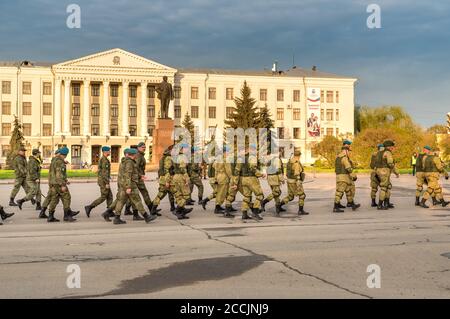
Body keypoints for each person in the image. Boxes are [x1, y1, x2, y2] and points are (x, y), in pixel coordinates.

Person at [107, 148, 157, 225]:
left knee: (121, 201)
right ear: (133, 155)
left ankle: (116, 218)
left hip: (125, 184)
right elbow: (128, 175)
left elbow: (132, 173)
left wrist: (140, 176)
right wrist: (128, 187)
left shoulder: (126, 161)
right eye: (136, 154)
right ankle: (146, 216)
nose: (137, 155)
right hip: (130, 185)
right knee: (137, 200)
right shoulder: (129, 163)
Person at [47, 147, 80, 222]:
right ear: (65, 154)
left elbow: (53, 173)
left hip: (53, 183)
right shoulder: (60, 162)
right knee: (67, 197)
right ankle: (66, 216)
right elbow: (59, 175)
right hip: (58, 183)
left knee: (54, 199)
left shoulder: (55, 160)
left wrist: (65, 180)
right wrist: (63, 185)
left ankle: (50, 216)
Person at [236, 145, 265, 221]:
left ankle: (244, 213)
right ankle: (255, 212)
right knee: (260, 195)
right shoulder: (252, 157)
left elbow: (237, 170)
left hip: (244, 179)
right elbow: (253, 168)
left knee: (247, 196)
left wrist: (235, 182)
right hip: (251, 179)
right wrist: (261, 174)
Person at [84, 146, 113, 218]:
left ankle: (109, 211)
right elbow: (104, 172)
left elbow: (104, 172)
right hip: (103, 181)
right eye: (109, 151)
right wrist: (107, 183)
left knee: (110, 196)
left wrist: (109, 177)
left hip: (103, 180)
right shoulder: (104, 160)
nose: (110, 152)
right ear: (105, 152)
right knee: (104, 196)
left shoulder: (105, 159)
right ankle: (89, 207)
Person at [280, 147, 309, 216]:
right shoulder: (296, 163)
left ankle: (278, 205)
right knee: (302, 195)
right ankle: (300, 210)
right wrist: (299, 182)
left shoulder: (290, 161)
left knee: (290, 196)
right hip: (295, 181)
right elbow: (297, 174)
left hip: (289, 181)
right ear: (299, 156)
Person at [333, 141, 360, 213]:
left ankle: (351, 203)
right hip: (343, 178)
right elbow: (348, 168)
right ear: (345, 151)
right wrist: (354, 176)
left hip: (341, 177)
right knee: (340, 192)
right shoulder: (344, 158)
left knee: (348, 191)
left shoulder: (338, 157)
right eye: (348, 151)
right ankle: (335, 206)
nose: (349, 152)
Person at [135, 142, 160, 216]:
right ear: (138, 148)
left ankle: (127, 209)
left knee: (133, 195)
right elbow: (135, 167)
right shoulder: (138, 156)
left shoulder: (141, 155)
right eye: (143, 147)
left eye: (145, 147)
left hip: (138, 177)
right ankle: (151, 210)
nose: (144, 148)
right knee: (144, 193)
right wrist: (140, 175)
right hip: (138, 178)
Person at [151, 145, 177, 215]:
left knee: (168, 193)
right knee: (162, 194)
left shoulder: (164, 157)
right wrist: (167, 181)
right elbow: (167, 170)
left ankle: (173, 207)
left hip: (164, 178)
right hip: (166, 178)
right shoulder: (168, 158)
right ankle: (153, 209)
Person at [375, 140, 399, 210]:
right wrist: (396, 172)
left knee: (388, 186)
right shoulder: (388, 152)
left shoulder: (379, 152)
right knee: (384, 187)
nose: (393, 148)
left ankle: (386, 203)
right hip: (385, 171)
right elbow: (391, 164)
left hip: (379, 171)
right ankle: (379, 205)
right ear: (389, 147)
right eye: (392, 146)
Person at [172, 145, 194, 219]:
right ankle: (178, 210)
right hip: (181, 177)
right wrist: (187, 179)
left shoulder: (175, 156)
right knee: (186, 195)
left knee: (179, 195)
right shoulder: (182, 157)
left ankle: (181, 212)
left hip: (175, 176)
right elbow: (183, 169)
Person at [261, 150, 285, 215]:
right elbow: (279, 170)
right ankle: (264, 202)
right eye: (280, 152)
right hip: (275, 178)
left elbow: (265, 168)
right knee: (277, 192)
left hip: (270, 178)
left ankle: (278, 207)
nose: (281, 153)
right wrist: (282, 179)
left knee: (276, 192)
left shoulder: (269, 159)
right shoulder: (276, 159)